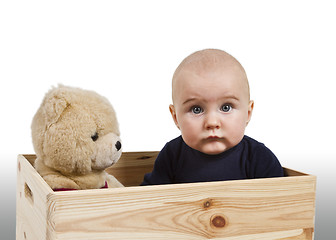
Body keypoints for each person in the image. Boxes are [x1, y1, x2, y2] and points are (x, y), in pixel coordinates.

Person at [141, 49, 283, 185]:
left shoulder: (258, 157)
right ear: (176, 117)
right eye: (196, 110)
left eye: (226, 107)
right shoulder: (172, 155)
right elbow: (148, 200)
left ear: (248, 113)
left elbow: (285, 200)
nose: (212, 122)